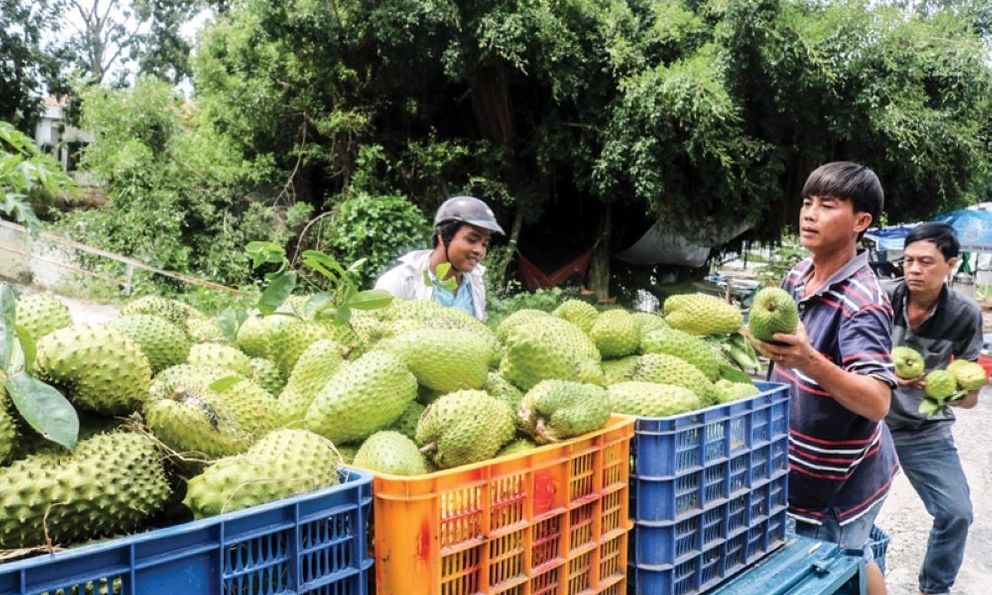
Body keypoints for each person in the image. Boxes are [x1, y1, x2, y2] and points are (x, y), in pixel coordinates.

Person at [751, 162, 897, 595]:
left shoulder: (863, 301)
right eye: (807, 202)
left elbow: (877, 401)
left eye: (827, 205)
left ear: (861, 222)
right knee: (856, 556)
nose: (810, 214)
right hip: (802, 467)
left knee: (831, 564)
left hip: (840, 481)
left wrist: (810, 361)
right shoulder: (797, 275)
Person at [885, 222, 981, 595]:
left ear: (951, 264)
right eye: (908, 261)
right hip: (870, 423)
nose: (913, 269)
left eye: (925, 262)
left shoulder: (964, 314)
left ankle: (935, 587)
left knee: (957, 513)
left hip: (926, 429)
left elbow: (971, 396)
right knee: (849, 514)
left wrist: (941, 388)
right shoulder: (880, 298)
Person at [375, 195, 504, 321]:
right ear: (443, 237)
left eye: (485, 244)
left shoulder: (475, 283)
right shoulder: (400, 281)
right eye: (472, 240)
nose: (479, 251)